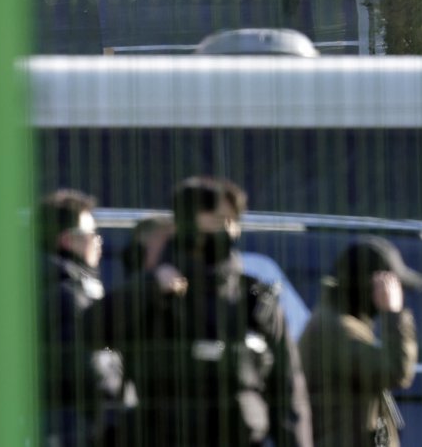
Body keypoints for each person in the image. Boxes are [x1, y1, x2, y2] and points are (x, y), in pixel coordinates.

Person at [97, 176, 313, 447]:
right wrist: (148, 289)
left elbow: (289, 389)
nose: (228, 227)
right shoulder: (149, 293)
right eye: (217, 216)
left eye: (233, 219)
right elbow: (91, 333)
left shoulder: (255, 299)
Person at [298, 237, 421, 447]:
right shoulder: (337, 330)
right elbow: (397, 369)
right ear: (368, 287)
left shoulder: (341, 322)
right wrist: (394, 314)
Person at [38, 189, 122, 446]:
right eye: (92, 234)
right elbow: (88, 363)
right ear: (67, 240)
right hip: (76, 424)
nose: (99, 241)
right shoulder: (68, 292)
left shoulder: (67, 285)